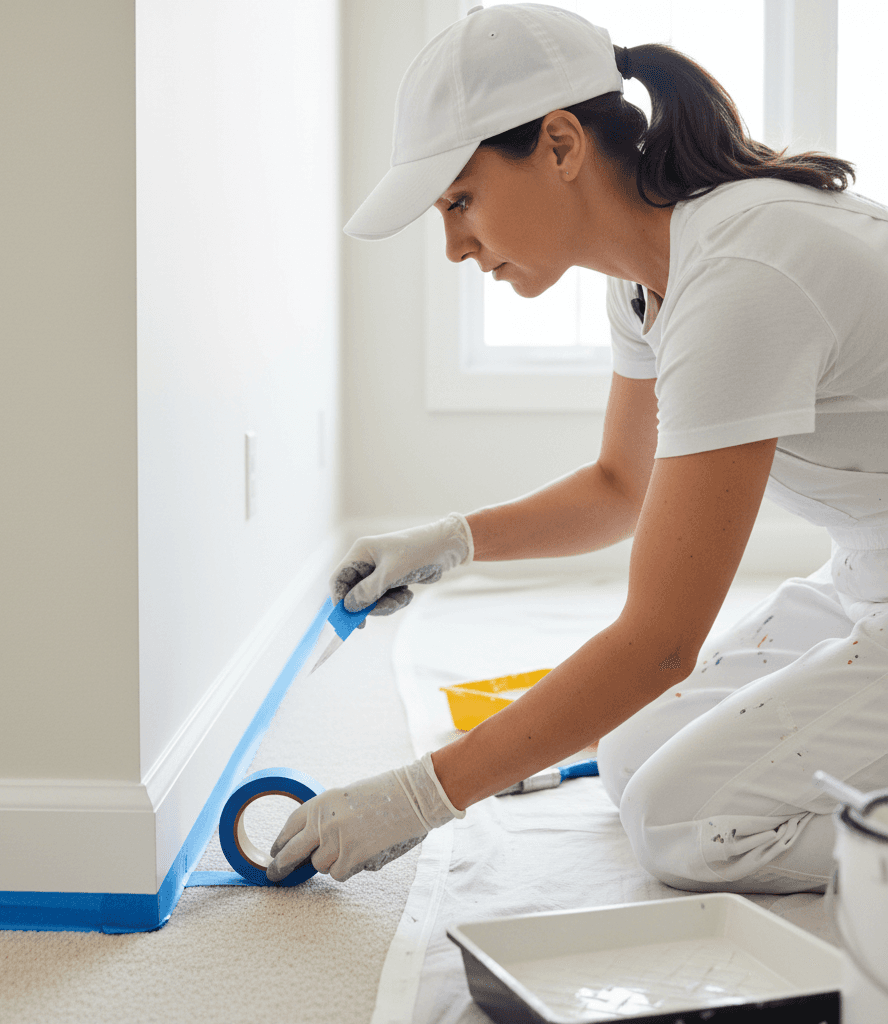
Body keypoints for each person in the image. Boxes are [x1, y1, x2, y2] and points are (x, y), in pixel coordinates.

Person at [267, 3, 888, 894]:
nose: (451, 246)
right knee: (634, 756)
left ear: (560, 146)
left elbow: (661, 643)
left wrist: (421, 796)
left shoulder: (742, 275)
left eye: (460, 201)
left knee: (684, 822)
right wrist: (449, 540)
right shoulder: (649, 283)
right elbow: (618, 486)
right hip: (871, 576)